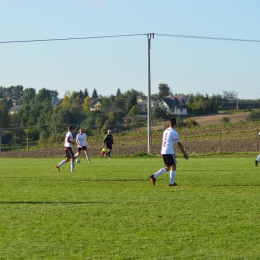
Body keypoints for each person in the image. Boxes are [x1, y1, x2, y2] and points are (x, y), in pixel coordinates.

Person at [150, 117, 188, 186]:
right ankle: (171, 182)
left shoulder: (165, 131)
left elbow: (163, 141)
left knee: (168, 167)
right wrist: (184, 153)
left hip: (164, 150)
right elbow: (179, 144)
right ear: (176, 123)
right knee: (173, 166)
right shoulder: (174, 132)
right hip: (169, 151)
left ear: (169, 123)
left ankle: (154, 176)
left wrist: (161, 151)